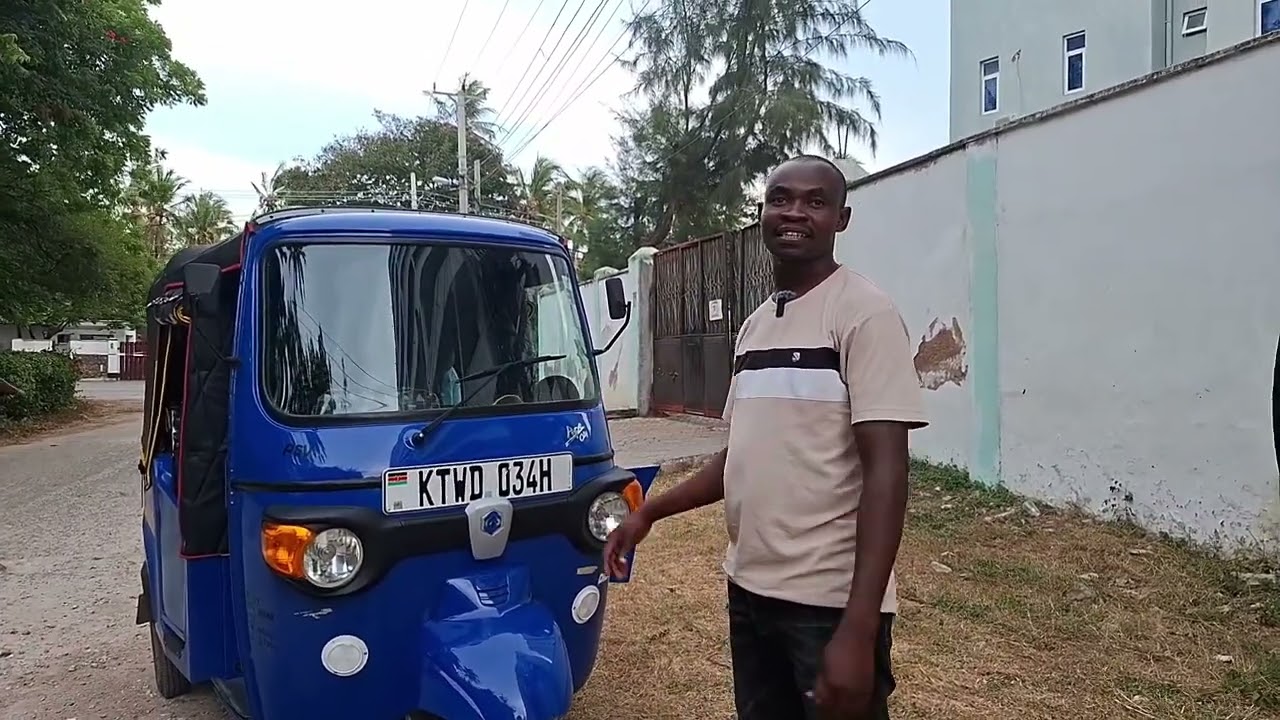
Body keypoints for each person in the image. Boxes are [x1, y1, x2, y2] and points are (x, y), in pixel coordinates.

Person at [604, 155, 928, 720]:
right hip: (751, 591)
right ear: (762, 213)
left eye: (814, 201)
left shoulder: (863, 314)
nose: (794, 212)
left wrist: (858, 627)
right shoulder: (756, 326)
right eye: (780, 198)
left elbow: (887, 472)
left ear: (841, 219)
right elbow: (740, 458)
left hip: (827, 604)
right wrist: (649, 513)